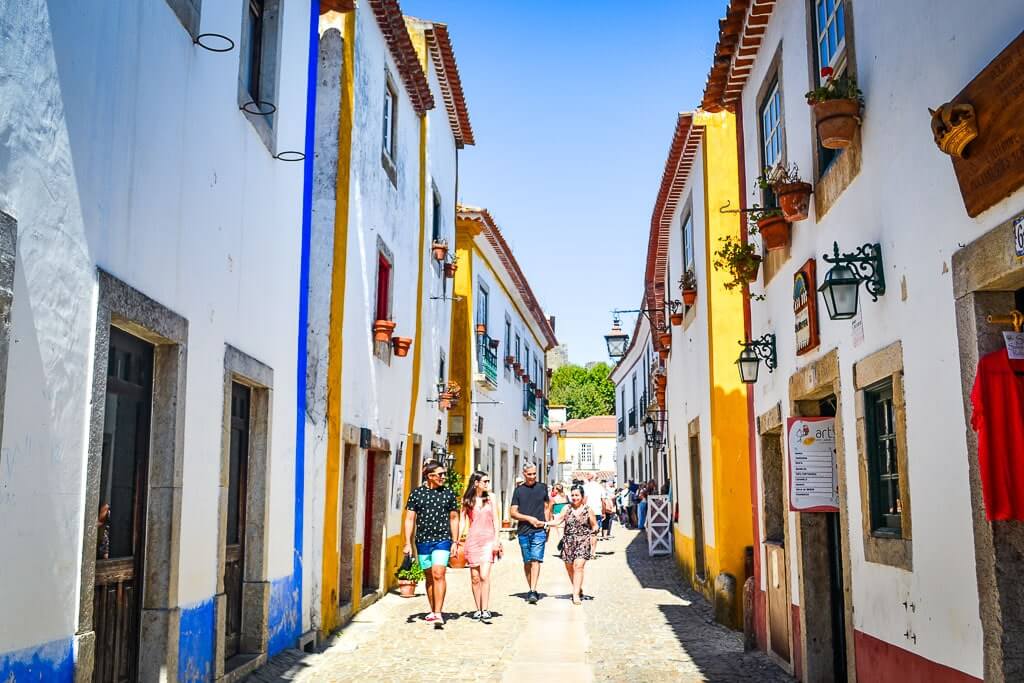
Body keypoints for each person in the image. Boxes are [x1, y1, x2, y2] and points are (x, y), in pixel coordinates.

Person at [403, 460, 460, 626]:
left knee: (438, 573)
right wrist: (407, 542)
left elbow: (454, 518)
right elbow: (409, 519)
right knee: (429, 575)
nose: (444, 477)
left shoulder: (448, 494)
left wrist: (455, 541)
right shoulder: (416, 494)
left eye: (444, 474)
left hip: (443, 539)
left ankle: (438, 612)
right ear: (430, 476)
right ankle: (433, 609)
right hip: (423, 541)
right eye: (440, 474)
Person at [458, 470, 502, 621]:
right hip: (473, 541)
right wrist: (457, 539)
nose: (488, 484)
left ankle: (486, 608)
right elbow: (462, 519)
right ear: (476, 483)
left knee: (484, 575)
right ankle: (478, 609)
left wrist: (497, 540)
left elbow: (496, 520)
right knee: (475, 577)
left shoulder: (491, 498)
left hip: (488, 541)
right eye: (485, 481)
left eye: (488, 481)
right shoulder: (467, 499)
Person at [546, 484, 598, 604]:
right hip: (568, 542)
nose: (575, 498)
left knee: (578, 567)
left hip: (583, 541)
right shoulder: (566, 508)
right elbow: (558, 520)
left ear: (582, 496)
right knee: (569, 568)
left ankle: (575, 595)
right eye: (573, 495)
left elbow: (594, 524)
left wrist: (595, 529)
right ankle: (577, 588)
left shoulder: (588, 509)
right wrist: (544, 523)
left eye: (577, 495)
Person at [510, 464, 551, 604]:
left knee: (536, 560)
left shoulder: (542, 487)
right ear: (524, 473)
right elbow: (513, 512)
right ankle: (531, 588)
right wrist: (528, 518)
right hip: (523, 531)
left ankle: (533, 590)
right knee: (527, 562)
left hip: (539, 530)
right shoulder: (518, 491)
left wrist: (546, 524)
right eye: (529, 474)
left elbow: (547, 507)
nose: (533, 477)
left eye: (534, 474)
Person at [582, 473, 604, 555]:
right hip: (597, 511)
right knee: (594, 533)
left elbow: (584, 500)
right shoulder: (600, 487)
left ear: (589, 477)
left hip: (587, 511)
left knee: (586, 531)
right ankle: (593, 552)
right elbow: (603, 501)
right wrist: (604, 512)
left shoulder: (585, 487)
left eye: (587, 475)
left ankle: (587, 550)